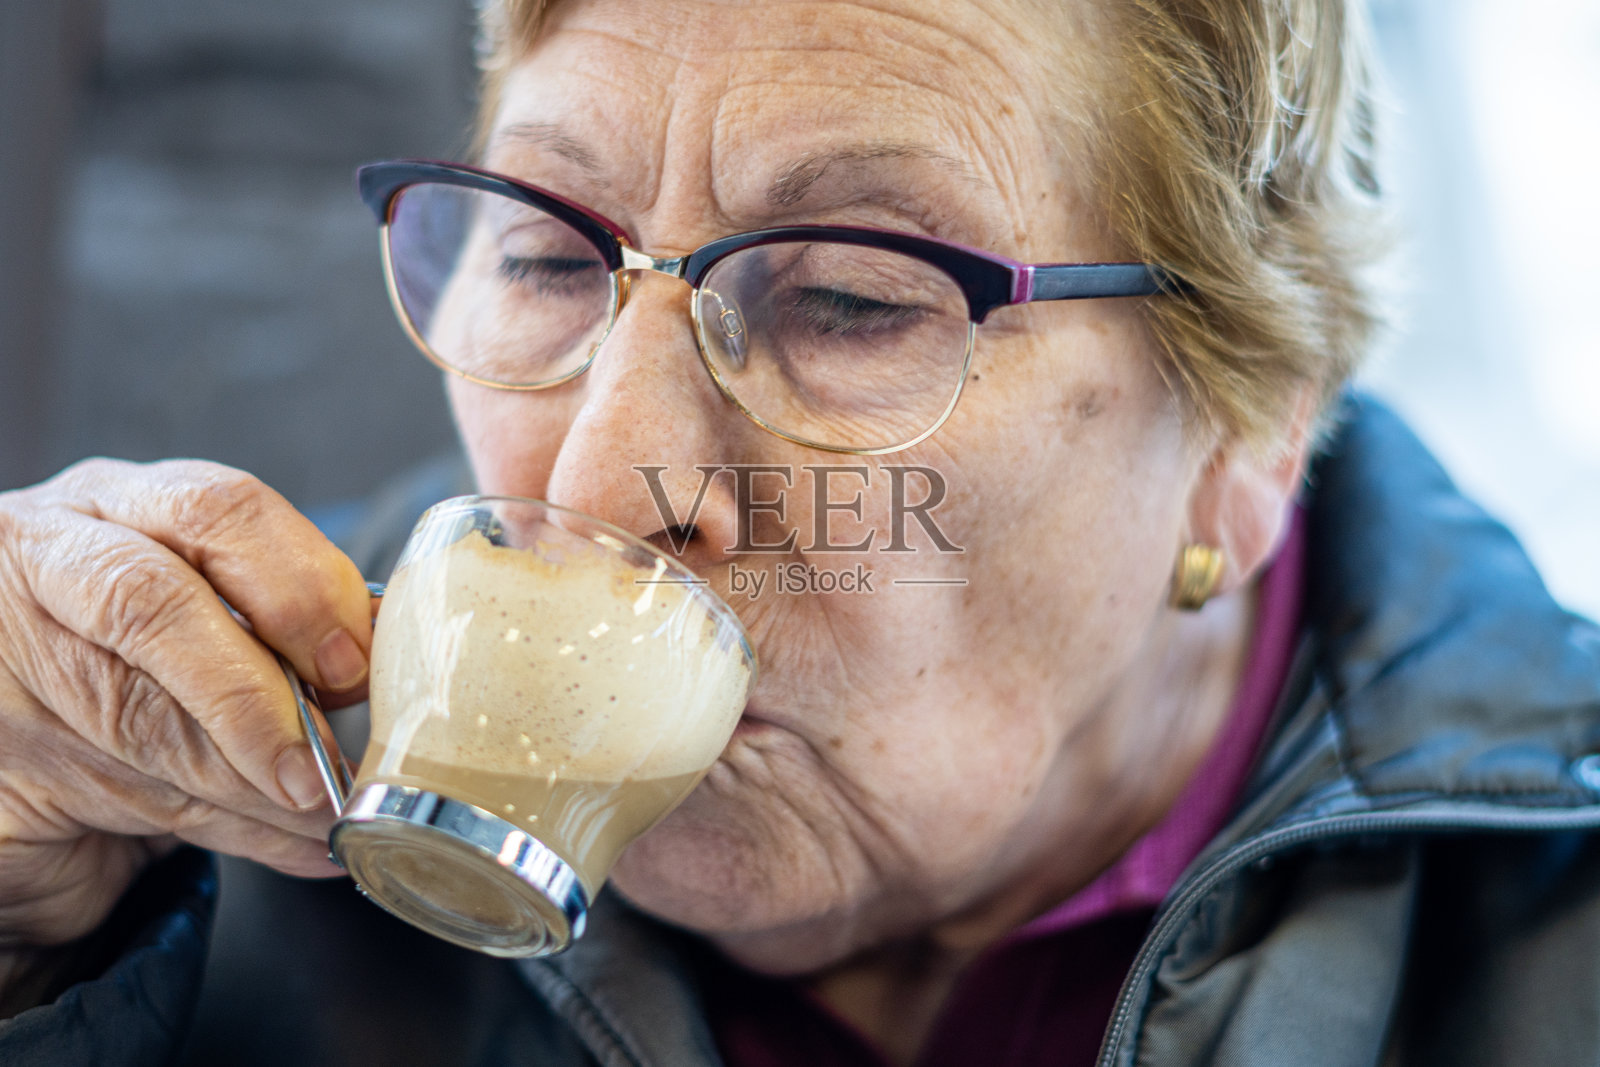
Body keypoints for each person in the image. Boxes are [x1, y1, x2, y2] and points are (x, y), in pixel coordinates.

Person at [2, 0, 1598, 1064]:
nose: (604, 485)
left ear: (1249, 432)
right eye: (549, 256)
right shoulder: (168, 803)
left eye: (847, 300)